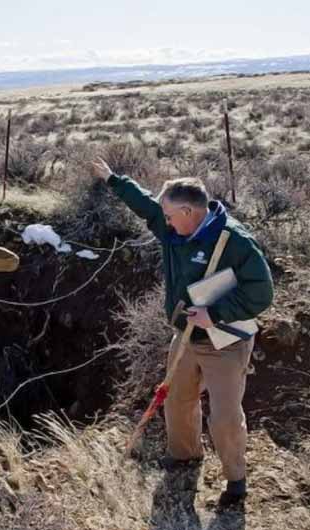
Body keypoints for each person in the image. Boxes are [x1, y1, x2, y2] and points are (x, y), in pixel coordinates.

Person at [91, 158, 274, 509]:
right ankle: (186, 457)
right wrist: (114, 180)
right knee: (177, 401)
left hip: (226, 341)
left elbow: (261, 293)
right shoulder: (175, 229)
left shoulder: (234, 241)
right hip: (187, 336)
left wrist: (215, 313)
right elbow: (146, 206)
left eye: (171, 216)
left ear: (189, 211)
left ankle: (236, 481)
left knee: (224, 417)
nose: (166, 222)